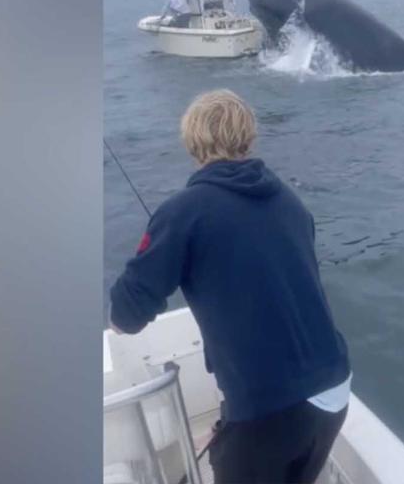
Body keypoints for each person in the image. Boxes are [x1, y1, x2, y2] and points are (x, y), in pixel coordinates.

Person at [109, 90, 351, 484]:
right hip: (334, 392)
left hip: (273, 410)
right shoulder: (288, 199)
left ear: (192, 142)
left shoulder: (184, 210)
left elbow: (126, 314)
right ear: (248, 135)